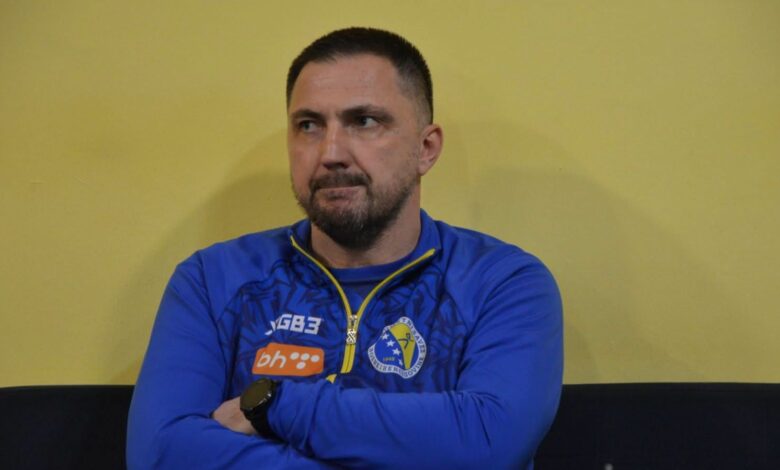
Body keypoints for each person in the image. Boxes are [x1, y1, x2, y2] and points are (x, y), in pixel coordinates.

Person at [127, 27, 563, 469]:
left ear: (426, 148)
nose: (330, 152)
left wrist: (277, 404)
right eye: (308, 125)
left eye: (364, 121)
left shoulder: (501, 283)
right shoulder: (214, 280)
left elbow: (490, 440)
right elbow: (160, 453)